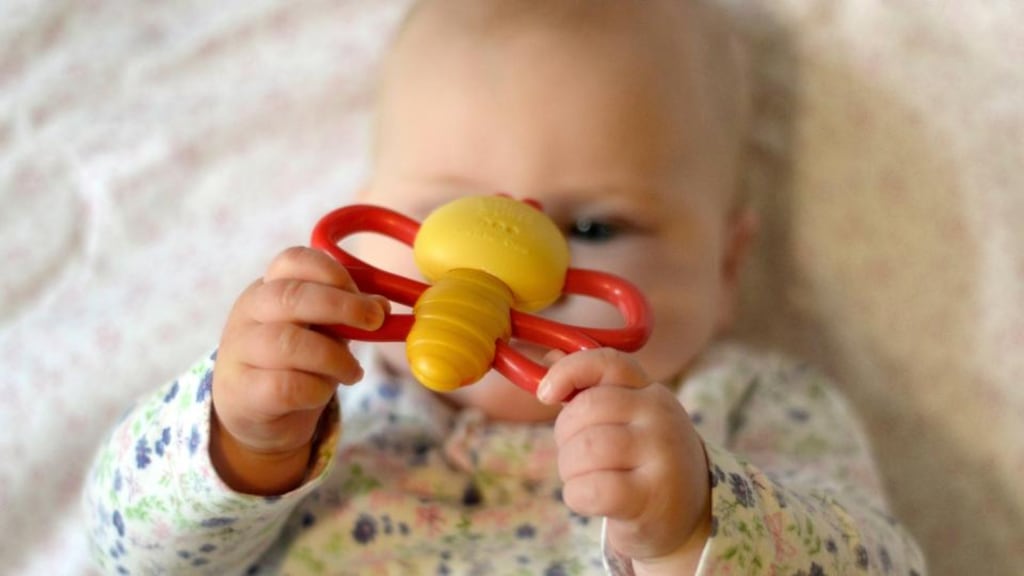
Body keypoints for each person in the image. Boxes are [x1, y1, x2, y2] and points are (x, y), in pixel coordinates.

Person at [83, 0, 926, 574]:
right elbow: (120, 551)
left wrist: (697, 523)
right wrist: (238, 443)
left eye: (593, 229)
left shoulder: (748, 409)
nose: (513, 275)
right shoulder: (325, 394)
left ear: (726, 267)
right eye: (455, 214)